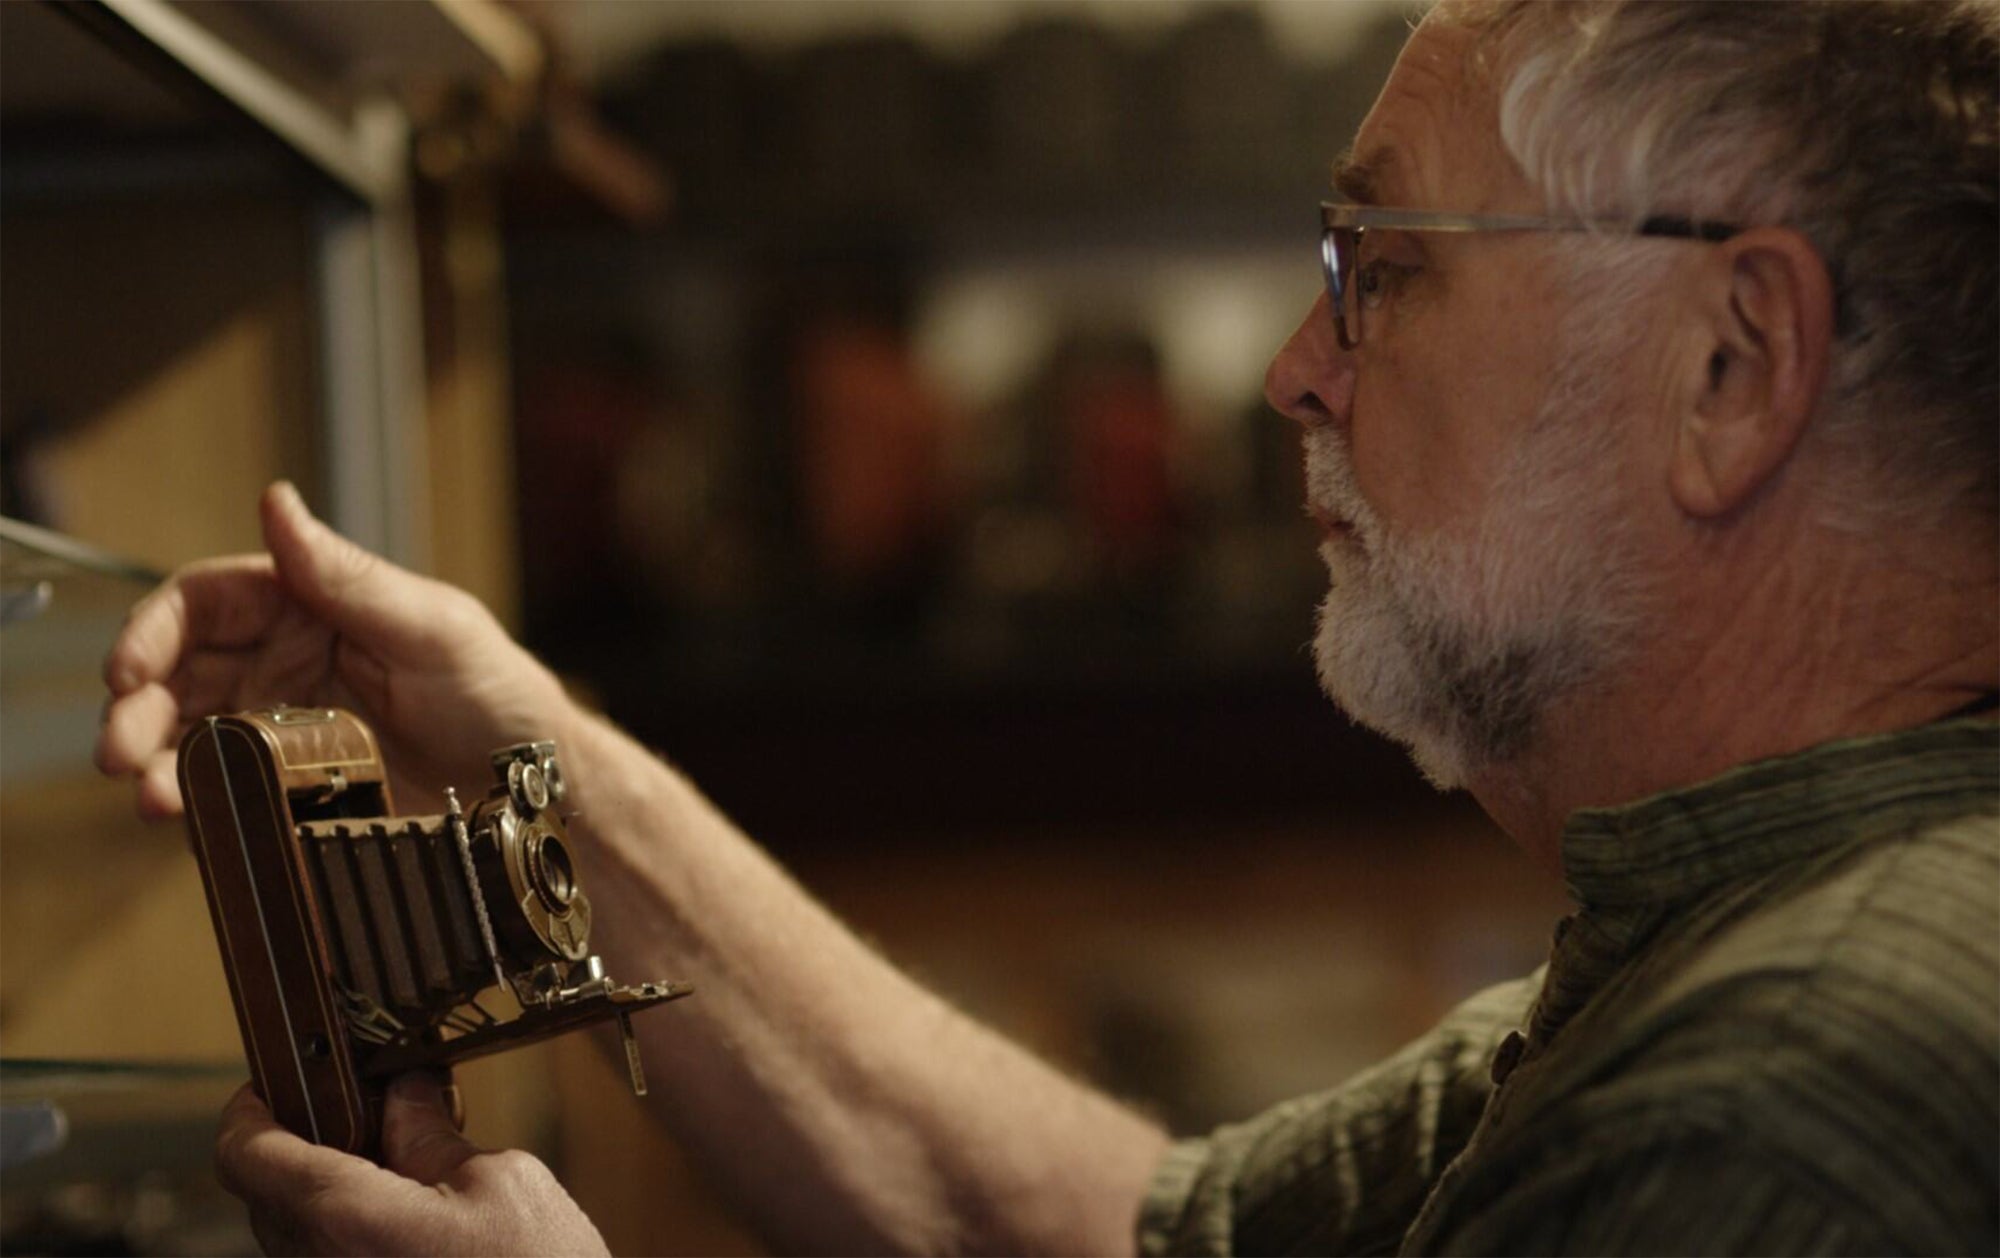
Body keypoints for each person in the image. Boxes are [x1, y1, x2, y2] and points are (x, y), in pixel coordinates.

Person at [96, 0, 1997, 1253]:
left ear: (1734, 367)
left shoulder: (1779, 1117)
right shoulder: (1719, 945)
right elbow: (1129, 1231)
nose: (1292, 371)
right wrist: (532, 748)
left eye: (1385, 271)